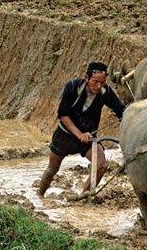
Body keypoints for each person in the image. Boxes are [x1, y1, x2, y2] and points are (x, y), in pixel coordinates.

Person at [37, 62, 126, 198]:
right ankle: (39, 196)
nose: (98, 86)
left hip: (88, 137)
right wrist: (79, 134)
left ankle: (82, 197)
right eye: (95, 82)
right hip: (65, 136)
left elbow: (121, 111)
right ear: (86, 78)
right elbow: (62, 114)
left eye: (102, 83)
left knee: (101, 165)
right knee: (52, 169)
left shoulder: (105, 91)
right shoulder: (72, 87)